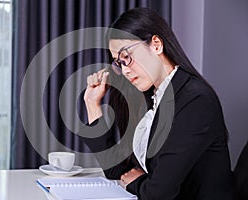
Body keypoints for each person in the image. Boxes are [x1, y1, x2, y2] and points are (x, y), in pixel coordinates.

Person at [81, 7, 234, 200]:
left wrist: (137, 182)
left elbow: (158, 193)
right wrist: (92, 104)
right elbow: (117, 171)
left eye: (126, 57)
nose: (125, 71)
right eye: (118, 62)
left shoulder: (196, 100)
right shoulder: (151, 97)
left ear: (156, 45)